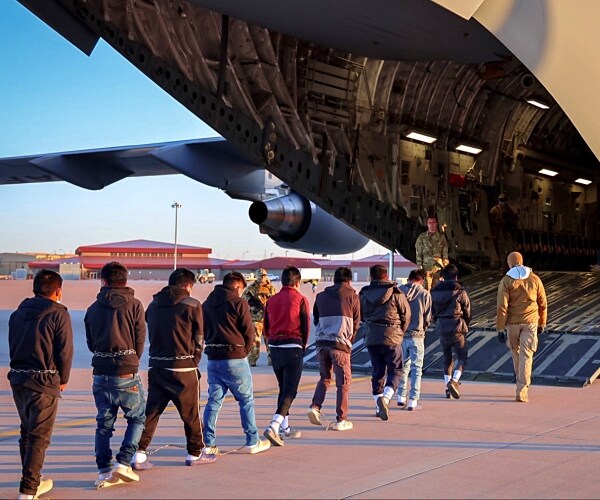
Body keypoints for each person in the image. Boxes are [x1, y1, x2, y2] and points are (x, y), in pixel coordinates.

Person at [132, 268, 212, 471]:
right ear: (188, 285)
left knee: (151, 412)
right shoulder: (192, 304)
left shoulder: (153, 304)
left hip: (157, 366)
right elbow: (199, 336)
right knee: (191, 414)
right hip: (183, 368)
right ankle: (195, 452)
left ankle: (139, 452)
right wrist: (194, 359)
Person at [8, 270, 74, 500]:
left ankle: (34, 480)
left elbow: (13, 345)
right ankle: (29, 489)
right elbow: (64, 351)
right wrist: (63, 379)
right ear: (58, 291)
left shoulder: (17, 313)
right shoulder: (58, 314)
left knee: (27, 432)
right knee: (38, 437)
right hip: (43, 382)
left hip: (19, 379)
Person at [84, 262, 147, 487]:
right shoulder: (135, 305)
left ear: (103, 281)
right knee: (137, 418)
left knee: (104, 424)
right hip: (126, 370)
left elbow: (91, 343)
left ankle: (103, 471)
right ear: (125, 280)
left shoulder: (92, 308)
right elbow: (140, 338)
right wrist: (132, 359)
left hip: (101, 371)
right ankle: (123, 461)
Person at [202, 272, 271, 455]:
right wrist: (244, 351)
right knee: (246, 400)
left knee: (213, 402)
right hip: (235, 358)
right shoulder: (239, 303)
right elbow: (249, 332)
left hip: (213, 358)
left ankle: (209, 443)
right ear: (238, 286)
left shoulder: (206, 304)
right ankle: (252, 441)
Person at [262, 266, 311, 445]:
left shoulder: (271, 300)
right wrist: (302, 346)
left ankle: (285, 428)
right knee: (290, 390)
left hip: (275, 347)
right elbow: (305, 326)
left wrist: (270, 342)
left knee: (283, 387)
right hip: (292, 345)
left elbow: (265, 326)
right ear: (297, 282)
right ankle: (274, 425)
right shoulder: (300, 299)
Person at [307, 267, 360, 431]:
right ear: (349, 281)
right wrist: (349, 340)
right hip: (340, 344)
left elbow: (316, 319)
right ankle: (341, 419)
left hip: (322, 343)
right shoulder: (353, 296)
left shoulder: (320, 296)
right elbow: (356, 323)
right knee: (343, 382)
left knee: (324, 377)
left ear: (334, 280)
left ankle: (315, 407)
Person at [359, 264, 411, 421]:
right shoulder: (396, 292)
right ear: (386, 275)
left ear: (371, 276)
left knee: (377, 371)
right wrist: (400, 331)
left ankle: (378, 405)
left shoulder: (364, 293)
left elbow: (360, 315)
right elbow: (406, 315)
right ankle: (386, 399)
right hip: (392, 336)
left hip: (372, 336)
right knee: (396, 370)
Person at [496, 251, 547, 403]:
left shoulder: (506, 281)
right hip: (530, 322)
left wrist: (500, 328)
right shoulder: (535, 278)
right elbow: (542, 303)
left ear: (509, 263)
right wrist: (542, 322)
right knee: (527, 355)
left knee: (516, 353)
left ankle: (520, 383)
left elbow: (502, 307)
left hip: (512, 324)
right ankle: (522, 390)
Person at [431, 264, 471, 400]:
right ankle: (454, 381)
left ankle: (448, 389)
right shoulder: (460, 292)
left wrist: (438, 322)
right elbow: (467, 312)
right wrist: (465, 324)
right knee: (462, 358)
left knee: (447, 358)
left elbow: (432, 312)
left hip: (442, 328)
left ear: (443, 277)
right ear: (456, 277)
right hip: (457, 327)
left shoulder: (434, 292)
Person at [397, 269, 432, 411]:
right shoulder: (425, 294)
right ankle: (413, 400)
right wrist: (423, 327)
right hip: (417, 335)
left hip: (401, 335)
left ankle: (401, 397)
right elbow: (428, 317)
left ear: (408, 279)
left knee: (402, 367)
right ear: (421, 281)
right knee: (416, 369)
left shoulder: (399, 291)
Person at [242, 268, 277, 367]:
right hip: (255, 318)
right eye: (260, 276)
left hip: (268, 318)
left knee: (270, 340)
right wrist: (253, 305)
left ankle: (272, 359)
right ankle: (252, 360)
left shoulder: (271, 288)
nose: (262, 278)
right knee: (254, 341)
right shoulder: (251, 289)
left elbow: (275, 301)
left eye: (264, 276)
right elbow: (243, 301)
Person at [415, 215, 449, 290]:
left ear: (436, 224)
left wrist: (445, 267)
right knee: (426, 289)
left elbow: (445, 253)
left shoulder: (441, 238)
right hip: (426, 268)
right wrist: (420, 266)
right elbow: (418, 253)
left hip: (438, 268)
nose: (431, 225)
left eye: (433, 222)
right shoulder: (422, 237)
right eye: (429, 223)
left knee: (437, 289)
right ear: (427, 224)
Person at [489, 194, 518, 272]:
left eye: (503, 200)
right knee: (501, 248)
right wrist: (498, 223)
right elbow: (491, 219)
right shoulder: (495, 209)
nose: (502, 202)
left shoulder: (509, 210)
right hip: (500, 230)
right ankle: (503, 265)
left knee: (511, 248)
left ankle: (511, 264)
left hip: (508, 231)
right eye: (501, 200)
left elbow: (515, 218)